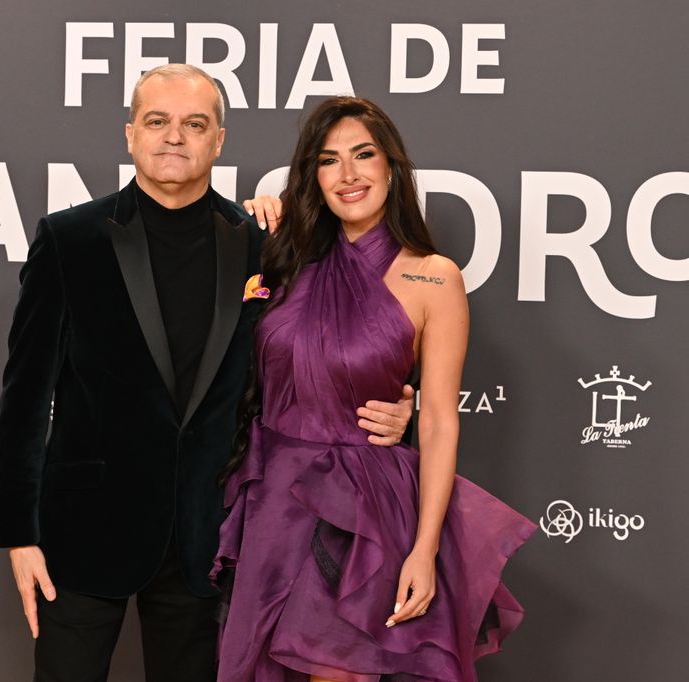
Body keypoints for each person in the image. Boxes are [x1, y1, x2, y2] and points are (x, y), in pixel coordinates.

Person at [0, 66, 415, 682]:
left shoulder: (266, 246)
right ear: (130, 133)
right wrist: (19, 534)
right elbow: (25, 397)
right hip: (82, 530)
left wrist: (402, 410)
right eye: (157, 121)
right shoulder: (68, 239)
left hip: (207, 536)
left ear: (218, 140)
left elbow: (323, 359)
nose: (174, 136)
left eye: (194, 123)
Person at [212, 96, 537, 682]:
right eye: (328, 160)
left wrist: (424, 550)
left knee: (339, 669)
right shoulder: (283, 256)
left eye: (363, 155)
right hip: (273, 498)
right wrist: (249, 221)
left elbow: (438, 420)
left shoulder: (433, 276)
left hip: (359, 508)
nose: (348, 174)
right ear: (312, 176)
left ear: (391, 166)